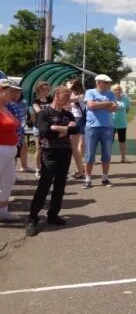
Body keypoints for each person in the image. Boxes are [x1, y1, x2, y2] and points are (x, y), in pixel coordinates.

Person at [25, 86, 79, 236]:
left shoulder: (68, 114)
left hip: (65, 152)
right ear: (57, 95)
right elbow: (45, 132)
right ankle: (32, 218)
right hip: (49, 153)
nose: (69, 100)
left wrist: (57, 128)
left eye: (69, 97)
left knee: (60, 186)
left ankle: (53, 215)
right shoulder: (44, 113)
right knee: (44, 186)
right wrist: (64, 130)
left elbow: (75, 129)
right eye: (66, 97)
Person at [83, 74, 117, 189]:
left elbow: (114, 108)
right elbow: (91, 105)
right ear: (99, 82)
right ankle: (88, 179)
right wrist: (107, 103)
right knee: (89, 154)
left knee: (107, 154)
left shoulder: (111, 94)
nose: (108, 85)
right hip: (92, 127)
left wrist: (99, 105)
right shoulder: (90, 92)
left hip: (107, 127)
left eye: (108, 83)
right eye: (106, 83)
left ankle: (105, 178)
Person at [0, 79, 22, 221]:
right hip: (1, 148)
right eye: (9, 91)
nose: (12, 94)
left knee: (8, 180)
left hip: (10, 149)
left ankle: (3, 210)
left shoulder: (6, 107)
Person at [31, 81, 52, 179]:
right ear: (39, 90)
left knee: (49, 148)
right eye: (44, 90)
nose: (47, 92)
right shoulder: (35, 101)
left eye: (48, 90)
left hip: (49, 127)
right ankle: (37, 169)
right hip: (39, 127)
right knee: (39, 149)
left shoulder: (50, 99)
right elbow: (39, 111)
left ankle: (48, 169)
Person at [6, 89, 30, 172]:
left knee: (15, 153)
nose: (17, 94)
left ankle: (13, 172)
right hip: (11, 133)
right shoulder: (6, 104)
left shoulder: (22, 104)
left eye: (19, 92)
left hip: (20, 132)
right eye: (15, 92)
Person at [67, 79, 86, 179]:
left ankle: (80, 168)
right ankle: (80, 167)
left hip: (79, 119)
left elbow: (68, 100)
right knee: (76, 145)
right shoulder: (73, 94)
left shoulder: (81, 96)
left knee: (77, 145)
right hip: (73, 118)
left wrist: (68, 87)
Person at [112, 84, 131, 163]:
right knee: (109, 141)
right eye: (115, 89)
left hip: (122, 124)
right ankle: (105, 158)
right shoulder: (109, 98)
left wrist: (121, 115)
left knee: (122, 141)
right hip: (111, 123)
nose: (117, 91)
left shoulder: (125, 99)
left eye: (119, 89)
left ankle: (123, 157)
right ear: (112, 91)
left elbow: (127, 110)